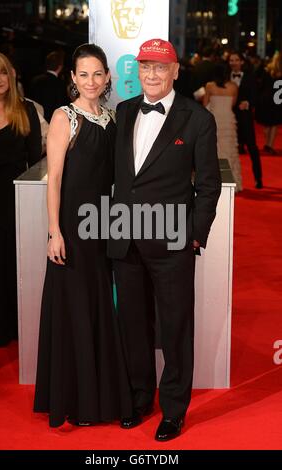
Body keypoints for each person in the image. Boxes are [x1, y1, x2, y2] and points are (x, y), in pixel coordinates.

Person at [108, 38, 221, 441]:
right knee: (133, 324)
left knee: (174, 328)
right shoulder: (122, 111)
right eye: (145, 67)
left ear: (175, 71)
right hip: (125, 237)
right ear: (137, 71)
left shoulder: (197, 119)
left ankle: (173, 410)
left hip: (173, 240)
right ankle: (140, 398)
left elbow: (208, 185)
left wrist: (195, 235)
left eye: (160, 67)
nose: (152, 75)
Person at [33, 44, 132, 427]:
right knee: (75, 310)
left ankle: (100, 396)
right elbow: (53, 179)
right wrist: (54, 232)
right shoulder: (65, 118)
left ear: (108, 76)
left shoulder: (111, 118)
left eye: (97, 73)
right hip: (73, 231)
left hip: (103, 226)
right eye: (83, 74)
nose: (91, 81)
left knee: (99, 309)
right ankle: (76, 400)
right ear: (72, 78)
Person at [0, 51, 42, 347]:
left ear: (12, 73)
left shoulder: (27, 110)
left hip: (14, 198)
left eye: (2, 72)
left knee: (12, 262)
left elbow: (35, 162)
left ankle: (14, 327)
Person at [204, 63, 242, 192]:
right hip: (228, 120)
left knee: (213, 149)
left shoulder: (210, 86)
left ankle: (213, 182)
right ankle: (231, 183)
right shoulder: (234, 87)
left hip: (214, 120)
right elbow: (233, 104)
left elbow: (205, 105)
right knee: (229, 149)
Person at [229, 51, 263, 189]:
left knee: (252, 147)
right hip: (229, 116)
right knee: (229, 147)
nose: (233, 62)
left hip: (245, 117)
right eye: (231, 60)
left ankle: (258, 178)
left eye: (236, 60)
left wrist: (248, 103)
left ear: (242, 62)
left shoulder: (250, 77)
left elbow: (256, 96)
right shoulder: (225, 77)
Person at [29, 51, 68, 122]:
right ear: (60, 67)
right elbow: (61, 107)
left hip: (36, 120)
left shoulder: (35, 80)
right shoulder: (60, 84)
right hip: (53, 122)